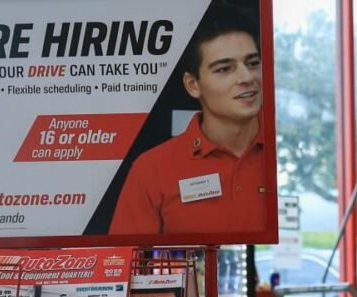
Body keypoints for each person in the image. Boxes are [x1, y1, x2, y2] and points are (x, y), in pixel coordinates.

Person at [109, 11, 268, 235]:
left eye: (252, 63)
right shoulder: (151, 169)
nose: (246, 78)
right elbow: (126, 255)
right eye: (224, 69)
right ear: (193, 85)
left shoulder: (284, 152)